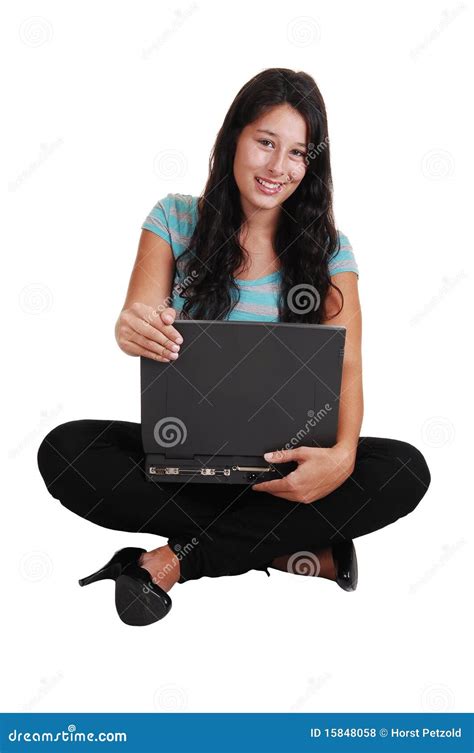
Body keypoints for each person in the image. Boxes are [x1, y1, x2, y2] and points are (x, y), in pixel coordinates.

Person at [37, 68, 431, 627]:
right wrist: (130, 328)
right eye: (266, 143)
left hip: (284, 467)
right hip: (187, 460)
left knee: (403, 469)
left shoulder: (331, 252)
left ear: (310, 164)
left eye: (297, 153)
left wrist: (342, 458)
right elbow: (139, 314)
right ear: (234, 140)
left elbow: (349, 363)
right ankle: (283, 547)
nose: (278, 167)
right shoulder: (174, 218)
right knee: (66, 449)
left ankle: (173, 561)